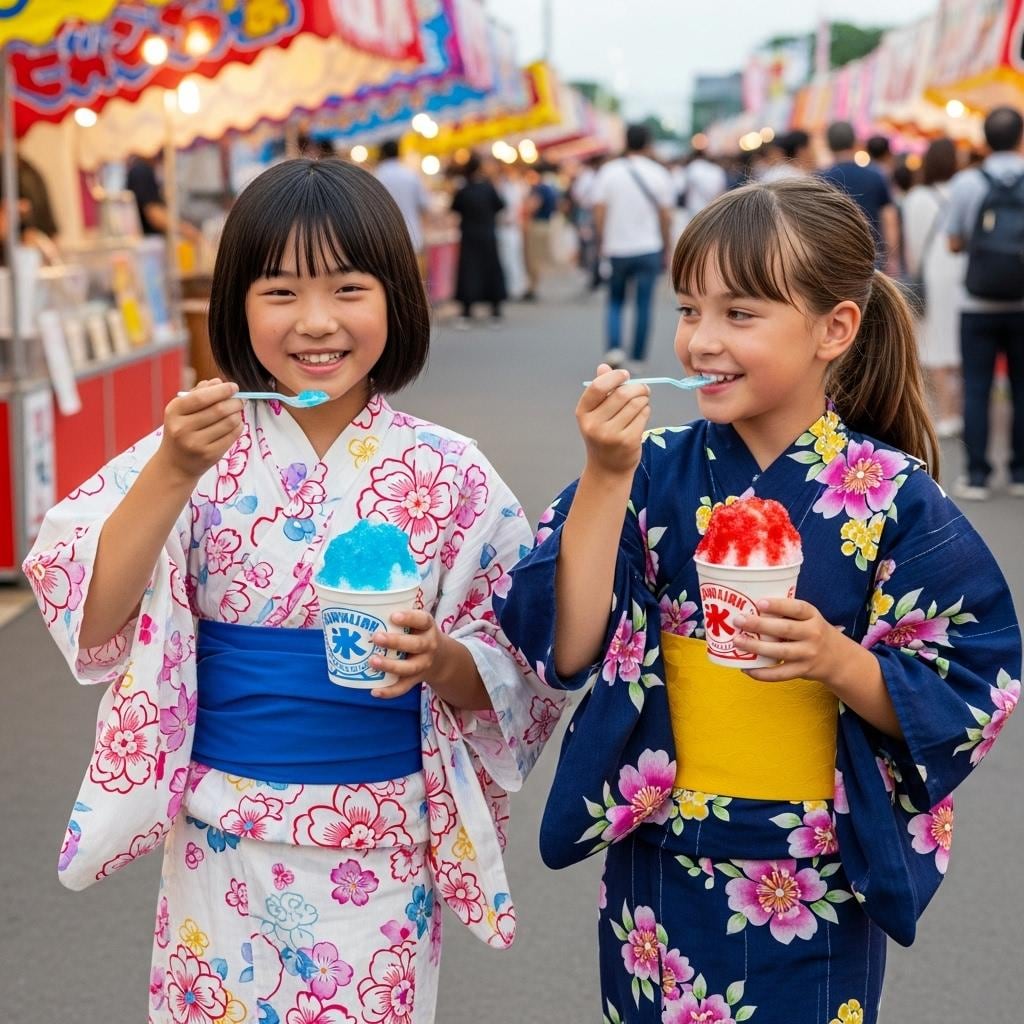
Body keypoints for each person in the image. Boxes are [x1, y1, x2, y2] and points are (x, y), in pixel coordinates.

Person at [23, 158, 563, 1024]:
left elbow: (520, 663)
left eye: (349, 288)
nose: (316, 322)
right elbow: (89, 609)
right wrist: (170, 471)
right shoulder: (195, 446)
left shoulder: (448, 468)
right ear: (236, 302)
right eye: (279, 292)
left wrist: (441, 660)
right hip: (219, 836)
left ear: (398, 297)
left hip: (381, 838)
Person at [496, 177, 1020, 1024]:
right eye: (690, 309)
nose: (702, 339)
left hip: (814, 870)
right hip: (661, 852)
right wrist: (603, 475)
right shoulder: (653, 466)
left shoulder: (892, 495)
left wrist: (840, 661)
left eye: (740, 315)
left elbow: (972, 681)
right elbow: (570, 643)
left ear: (835, 329)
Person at [946, 105, 1024, 500]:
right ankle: (1019, 472)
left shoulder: (965, 183)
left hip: (976, 301)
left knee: (976, 387)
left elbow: (953, 240)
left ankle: (976, 475)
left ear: (984, 140)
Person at [592, 123, 675, 368]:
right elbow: (665, 216)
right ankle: (638, 356)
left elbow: (599, 211)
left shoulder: (608, 172)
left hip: (617, 247)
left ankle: (615, 349)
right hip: (648, 247)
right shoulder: (659, 173)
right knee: (643, 304)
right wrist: (666, 245)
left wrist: (601, 240)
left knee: (615, 300)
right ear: (648, 143)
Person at [902, 138, 964, 438]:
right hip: (964, 274)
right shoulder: (963, 190)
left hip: (932, 275)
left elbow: (913, 246)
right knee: (960, 340)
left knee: (937, 342)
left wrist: (914, 273)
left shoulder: (916, 197)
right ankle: (963, 409)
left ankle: (947, 413)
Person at [819, 121, 899, 272]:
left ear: (828, 145)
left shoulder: (819, 179)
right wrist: (892, 258)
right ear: (855, 142)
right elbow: (889, 219)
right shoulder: (875, 176)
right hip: (872, 257)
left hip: (832, 261)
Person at [450, 153, 507, 326]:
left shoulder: (463, 190)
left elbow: (454, 209)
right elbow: (501, 206)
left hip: (469, 235)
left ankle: (467, 309)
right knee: (491, 269)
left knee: (469, 271)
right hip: (488, 234)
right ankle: (495, 308)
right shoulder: (488, 188)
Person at [374, 137, 432, 271]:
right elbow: (424, 205)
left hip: (385, 238)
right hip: (413, 235)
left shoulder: (376, 176)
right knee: (415, 280)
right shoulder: (410, 174)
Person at [125, 151, 200, 242]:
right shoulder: (141, 171)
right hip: (148, 243)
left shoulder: (144, 169)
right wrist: (185, 229)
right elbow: (153, 213)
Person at [522, 166, 559, 301]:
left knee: (533, 258)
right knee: (536, 257)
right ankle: (533, 286)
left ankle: (532, 287)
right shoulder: (549, 188)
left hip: (537, 225)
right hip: (545, 224)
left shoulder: (538, 189)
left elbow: (532, 206)